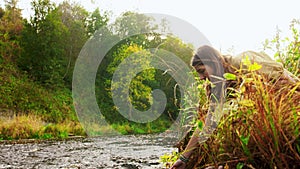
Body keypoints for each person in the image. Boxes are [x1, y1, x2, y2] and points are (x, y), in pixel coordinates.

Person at [170, 45, 299, 169]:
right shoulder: (217, 85)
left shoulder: (243, 61)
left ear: (214, 61)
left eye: (202, 71)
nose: (201, 77)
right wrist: (184, 158)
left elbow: (284, 81)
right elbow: (207, 122)